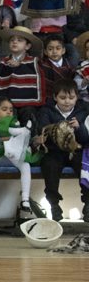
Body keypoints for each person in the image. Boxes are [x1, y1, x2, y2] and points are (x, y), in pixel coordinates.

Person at [35, 79, 89, 221]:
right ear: (55, 97)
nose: (67, 101)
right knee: (49, 166)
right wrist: (56, 130)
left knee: (85, 167)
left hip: (76, 151)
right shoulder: (46, 111)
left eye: (71, 98)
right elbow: (42, 130)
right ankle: (54, 205)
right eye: (62, 97)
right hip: (54, 151)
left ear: (77, 97)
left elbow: (85, 139)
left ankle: (88, 205)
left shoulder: (83, 111)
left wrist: (79, 127)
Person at [0, 96, 36, 216]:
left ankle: (25, 199)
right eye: (4, 109)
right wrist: (2, 139)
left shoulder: (15, 124)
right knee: (20, 160)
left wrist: (34, 140)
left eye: (11, 110)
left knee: (25, 165)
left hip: (11, 156)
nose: (9, 112)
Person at [40, 33, 75, 99]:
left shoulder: (69, 66)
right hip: (47, 97)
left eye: (58, 48)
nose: (54, 52)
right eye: (50, 49)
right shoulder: (42, 65)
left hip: (66, 98)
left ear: (63, 50)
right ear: (45, 52)